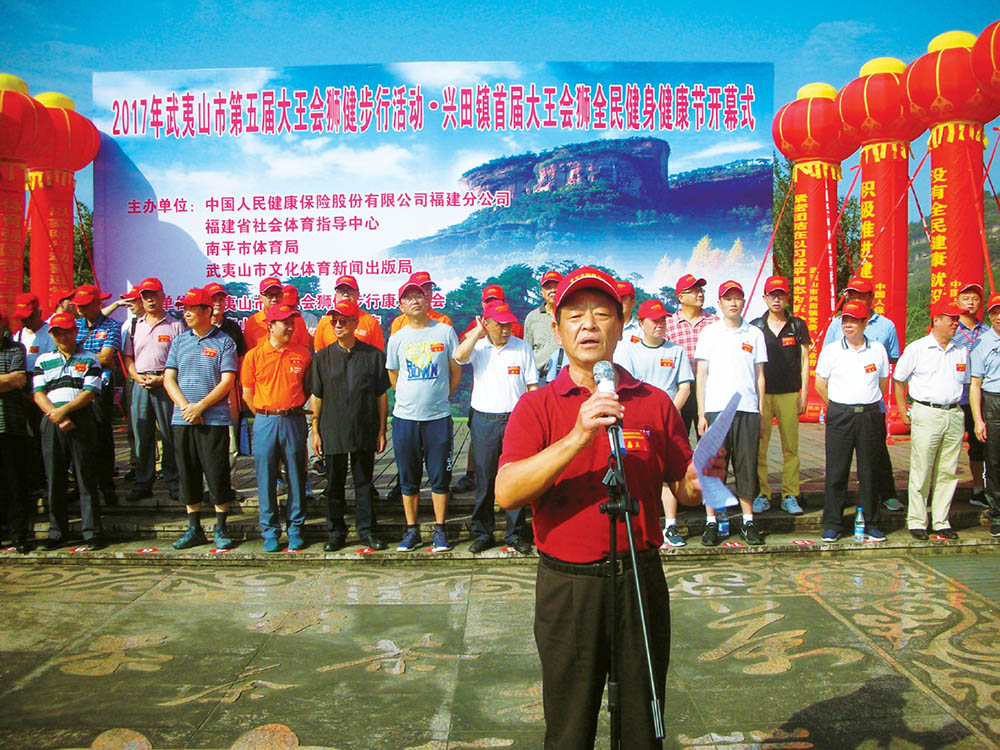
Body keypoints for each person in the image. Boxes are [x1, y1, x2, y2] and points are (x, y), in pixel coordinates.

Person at [494, 266, 722, 750]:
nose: (589, 325)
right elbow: (507, 492)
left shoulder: (654, 402)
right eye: (575, 316)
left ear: (621, 327)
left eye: (601, 314)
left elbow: (685, 491)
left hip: (640, 580)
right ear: (557, 330)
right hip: (569, 588)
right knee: (569, 728)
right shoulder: (537, 406)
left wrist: (702, 477)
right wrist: (578, 436)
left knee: (643, 726)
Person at [453, 300, 537, 553]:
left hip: (515, 421)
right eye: (499, 325)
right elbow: (459, 356)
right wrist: (477, 332)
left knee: (515, 478)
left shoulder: (522, 347)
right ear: (487, 324)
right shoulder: (478, 347)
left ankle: (516, 534)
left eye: (508, 324)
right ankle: (483, 533)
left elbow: (532, 386)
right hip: (484, 421)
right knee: (485, 479)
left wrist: (531, 420)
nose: (505, 329)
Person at [386, 277, 461, 552]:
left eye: (419, 295)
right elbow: (393, 374)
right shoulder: (397, 338)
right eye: (408, 297)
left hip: (438, 418)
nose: (415, 301)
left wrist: (440, 396)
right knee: (408, 476)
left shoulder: (445, 332)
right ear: (401, 306)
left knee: (440, 476)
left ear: (428, 300)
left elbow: (455, 371)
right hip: (405, 418)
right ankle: (412, 530)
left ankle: (440, 529)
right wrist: (410, 398)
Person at [310, 298, 390, 551]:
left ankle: (367, 531)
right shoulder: (322, 358)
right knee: (334, 485)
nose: (338, 325)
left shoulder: (373, 356)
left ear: (356, 323)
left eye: (343, 321)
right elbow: (317, 396)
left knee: (364, 484)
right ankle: (336, 532)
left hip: (364, 428)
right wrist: (315, 431)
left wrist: (381, 430)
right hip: (332, 429)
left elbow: (381, 395)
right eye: (334, 321)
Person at [163, 288, 239, 550]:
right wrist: (186, 407)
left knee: (217, 472)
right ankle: (194, 528)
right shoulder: (179, 342)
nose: (187, 313)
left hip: (213, 420)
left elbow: (227, 381)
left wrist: (201, 407)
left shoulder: (225, 342)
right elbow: (169, 378)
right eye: (185, 308)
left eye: (193, 308)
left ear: (207, 311)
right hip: (182, 419)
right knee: (188, 473)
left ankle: (221, 527)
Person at [615, 298, 694, 548]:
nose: (660, 325)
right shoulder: (629, 351)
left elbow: (684, 387)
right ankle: (638, 526)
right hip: (637, 425)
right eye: (654, 321)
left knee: (670, 474)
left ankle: (670, 525)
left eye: (663, 320)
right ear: (641, 324)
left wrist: (666, 413)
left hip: (669, 421)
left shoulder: (676, 351)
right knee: (638, 471)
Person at [694, 280, 767, 546]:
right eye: (728, 298)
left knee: (747, 466)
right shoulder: (709, 333)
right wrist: (702, 413)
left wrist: (760, 411)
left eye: (737, 298)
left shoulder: (754, 334)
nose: (733, 303)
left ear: (744, 301)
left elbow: (760, 376)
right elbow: (702, 374)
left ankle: (748, 522)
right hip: (716, 410)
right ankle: (711, 523)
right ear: (720, 303)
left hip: (747, 409)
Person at [823, 276, 901, 512]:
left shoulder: (886, 326)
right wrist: (837, 404)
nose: (854, 299)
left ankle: (883, 498)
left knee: (874, 459)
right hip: (842, 409)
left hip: (872, 408)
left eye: (859, 295)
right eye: (851, 295)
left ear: (871, 298)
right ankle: (834, 517)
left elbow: (888, 368)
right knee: (838, 465)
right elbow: (824, 373)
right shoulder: (837, 325)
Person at [814, 300, 889, 542]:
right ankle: (832, 523)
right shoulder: (831, 351)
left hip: (869, 415)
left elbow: (882, 382)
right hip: (841, 415)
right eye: (845, 320)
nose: (848, 325)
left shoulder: (877, 350)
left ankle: (871, 522)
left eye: (854, 321)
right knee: (837, 471)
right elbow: (820, 384)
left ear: (865, 323)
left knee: (870, 471)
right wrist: (838, 405)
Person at [241, 304, 312, 551]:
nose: (290, 327)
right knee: (266, 477)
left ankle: (296, 528)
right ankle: (270, 531)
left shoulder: (303, 354)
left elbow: (308, 388)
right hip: (265, 421)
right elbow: (247, 394)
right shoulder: (254, 356)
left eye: (292, 322)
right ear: (270, 326)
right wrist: (267, 414)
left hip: (294, 419)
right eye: (285, 323)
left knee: (296, 475)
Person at [893, 301, 968, 540]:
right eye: (951, 319)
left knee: (948, 470)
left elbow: (965, 382)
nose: (955, 323)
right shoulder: (918, 348)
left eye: (957, 319)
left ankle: (941, 520)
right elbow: (899, 379)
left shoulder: (960, 350)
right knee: (922, 467)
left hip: (953, 413)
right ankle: (917, 520)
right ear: (936, 320)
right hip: (927, 412)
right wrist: (902, 408)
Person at [32, 312, 105, 550]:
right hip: (51, 420)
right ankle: (57, 532)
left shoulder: (89, 358)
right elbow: (38, 393)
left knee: (85, 476)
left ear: (75, 332)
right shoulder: (43, 359)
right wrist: (56, 415)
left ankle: (92, 532)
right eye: (57, 333)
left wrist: (64, 412)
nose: (62, 337)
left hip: (81, 419)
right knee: (55, 478)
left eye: (66, 331)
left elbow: (90, 391)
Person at [452, 284, 525, 494]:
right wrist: (479, 331)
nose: (492, 304)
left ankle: (505, 482)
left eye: (497, 301)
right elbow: (461, 351)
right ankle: (471, 474)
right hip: (484, 397)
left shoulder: (514, 326)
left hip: (509, 394)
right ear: (483, 303)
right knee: (477, 439)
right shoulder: (474, 326)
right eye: (489, 301)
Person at [749, 275, 810, 515]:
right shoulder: (755, 326)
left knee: (790, 448)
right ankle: (762, 494)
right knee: (760, 447)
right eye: (772, 295)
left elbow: (804, 362)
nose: (776, 300)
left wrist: (804, 393)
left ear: (787, 297)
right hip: (762, 395)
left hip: (789, 394)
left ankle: (790, 494)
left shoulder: (797, 325)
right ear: (764, 298)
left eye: (781, 295)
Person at [123, 277, 186, 502]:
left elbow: (182, 358)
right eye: (145, 296)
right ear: (141, 299)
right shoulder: (133, 326)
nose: (150, 300)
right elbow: (128, 358)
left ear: (162, 296)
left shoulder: (176, 325)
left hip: (166, 383)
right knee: (142, 435)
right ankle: (143, 483)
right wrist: (136, 377)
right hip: (140, 384)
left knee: (169, 435)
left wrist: (162, 379)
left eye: (154, 295)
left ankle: (173, 482)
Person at [72, 284, 122, 507]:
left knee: (102, 434)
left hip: (100, 387)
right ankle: (80, 485)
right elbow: (69, 353)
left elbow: (106, 357)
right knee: (78, 435)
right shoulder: (73, 326)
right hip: (74, 386)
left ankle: (106, 485)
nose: (80, 310)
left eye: (85, 305)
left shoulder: (111, 326)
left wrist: (80, 357)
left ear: (98, 304)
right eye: (78, 306)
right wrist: (93, 357)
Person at [205, 282, 247, 499]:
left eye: (221, 299)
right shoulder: (195, 330)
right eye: (214, 299)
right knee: (205, 442)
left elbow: (241, 360)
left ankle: (227, 486)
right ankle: (207, 487)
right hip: (202, 392)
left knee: (230, 443)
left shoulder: (232, 328)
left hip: (228, 391)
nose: (218, 303)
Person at [663, 273, 718, 437]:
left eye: (701, 290)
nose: (699, 294)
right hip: (680, 389)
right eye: (694, 291)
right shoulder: (669, 324)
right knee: (678, 438)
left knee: (708, 439)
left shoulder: (714, 322)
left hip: (708, 390)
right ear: (681, 297)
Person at [951, 281, 989, 507]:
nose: (970, 302)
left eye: (975, 299)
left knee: (979, 444)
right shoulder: (951, 329)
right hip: (955, 393)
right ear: (957, 301)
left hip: (980, 394)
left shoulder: (987, 331)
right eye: (966, 298)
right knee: (949, 445)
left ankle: (978, 488)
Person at [13, 292, 55, 495]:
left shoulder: (50, 334)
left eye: (29, 317)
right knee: (27, 439)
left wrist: (38, 393)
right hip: (22, 389)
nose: (26, 321)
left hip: (45, 387)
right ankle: (32, 479)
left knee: (44, 436)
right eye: (22, 318)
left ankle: (48, 478)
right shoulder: (18, 336)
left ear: (38, 312)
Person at [0, 313, 32, 553]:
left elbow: (19, 379)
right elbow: (9, 380)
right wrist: (6, 380)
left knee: (15, 484)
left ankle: (18, 535)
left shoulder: (16, 349)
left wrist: (11, 380)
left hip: (11, 425)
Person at [969, 293, 1000, 538]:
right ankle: (997, 514)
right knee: (994, 459)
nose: (999, 316)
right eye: (995, 312)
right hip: (993, 401)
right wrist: (978, 419)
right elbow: (975, 385)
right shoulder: (982, 342)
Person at [313, 274, 386, 352]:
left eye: (350, 291)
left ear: (358, 294)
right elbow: (319, 353)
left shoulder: (370, 322)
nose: (345, 294)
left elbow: (378, 354)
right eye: (341, 291)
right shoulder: (324, 322)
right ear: (336, 295)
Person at [244, 277, 312, 350]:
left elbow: (305, 349)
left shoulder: (296, 319)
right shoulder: (252, 322)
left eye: (278, 294)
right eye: (269, 295)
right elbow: (248, 352)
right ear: (260, 297)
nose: (274, 299)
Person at [523, 270, 562, 379]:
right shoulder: (532, 317)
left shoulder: (572, 314)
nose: (553, 290)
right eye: (548, 287)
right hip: (540, 377)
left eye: (556, 286)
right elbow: (527, 350)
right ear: (542, 292)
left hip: (568, 375)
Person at [389, 271, 453, 335]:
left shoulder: (443, 320)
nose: (426, 293)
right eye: (421, 289)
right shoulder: (399, 323)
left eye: (428, 289)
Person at [616, 279, 642, 345]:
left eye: (623, 298)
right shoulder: (603, 326)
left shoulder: (641, 330)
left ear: (633, 301)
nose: (619, 302)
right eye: (616, 298)